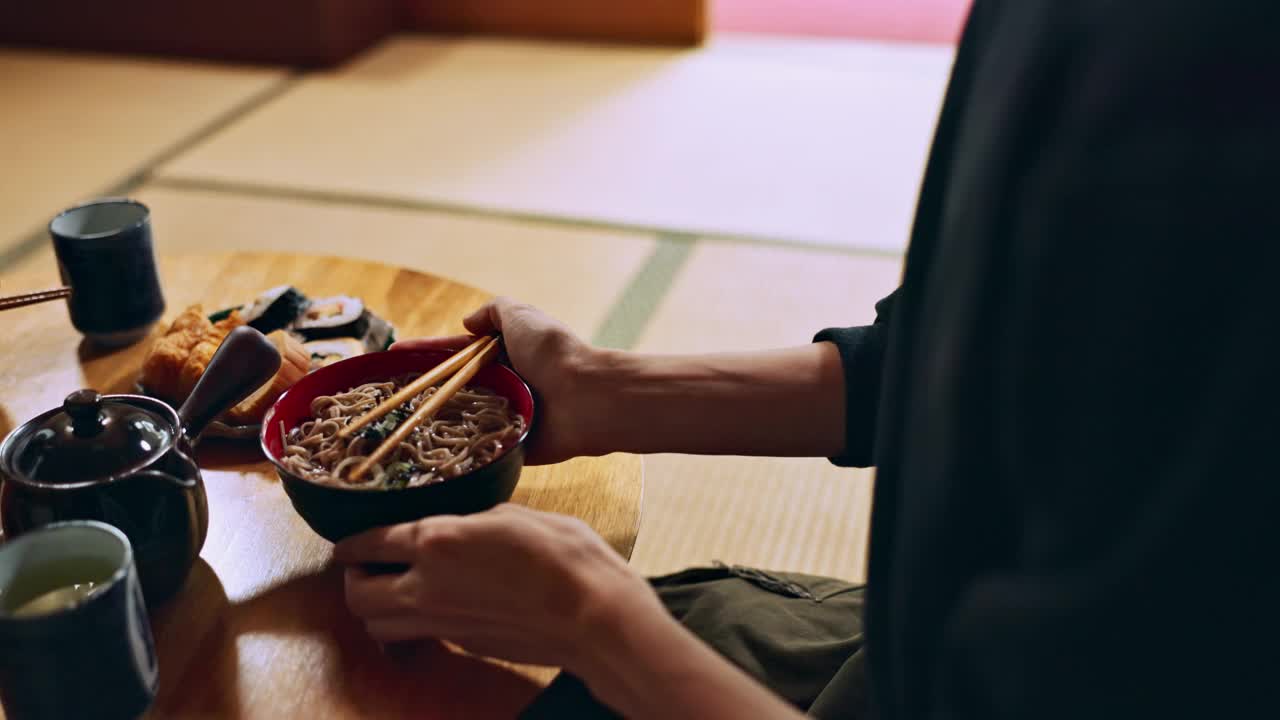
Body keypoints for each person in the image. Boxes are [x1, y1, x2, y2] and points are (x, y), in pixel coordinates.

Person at [332, 1, 1280, 718]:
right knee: (691, 607)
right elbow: (995, 359)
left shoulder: (1216, 83)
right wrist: (601, 391)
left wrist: (602, 631)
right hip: (916, 637)